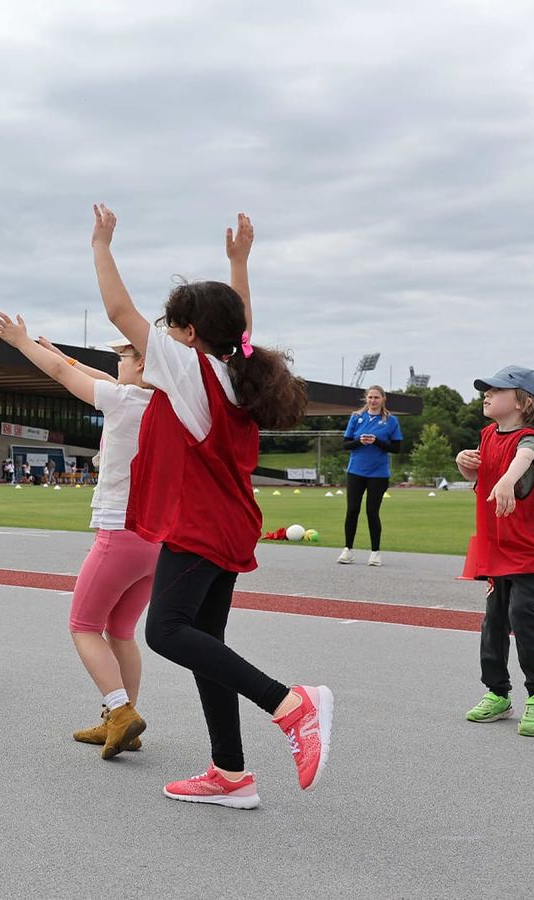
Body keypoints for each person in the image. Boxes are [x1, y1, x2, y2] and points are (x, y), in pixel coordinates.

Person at [94, 204, 329, 809]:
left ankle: (288, 703)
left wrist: (101, 244)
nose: (164, 338)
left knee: (167, 632)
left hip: (201, 526)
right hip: (228, 525)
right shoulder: (233, 370)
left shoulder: (193, 369)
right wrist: (238, 263)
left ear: (191, 335)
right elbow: (240, 329)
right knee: (207, 643)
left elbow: (121, 312)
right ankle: (231, 774)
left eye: (173, 328)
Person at [0, 315, 158, 758]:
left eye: (123, 355)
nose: (116, 362)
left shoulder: (123, 402)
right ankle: (126, 721)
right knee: (120, 630)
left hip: (118, 531)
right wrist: (61, 352)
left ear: (141, 364)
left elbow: (67, 377)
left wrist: (22, 342)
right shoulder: (166, 404)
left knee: (83, 626)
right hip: (157, 541)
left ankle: (120, 712)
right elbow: (97, 376)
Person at [457, 366, 534, 737]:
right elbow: (481, 478)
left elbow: (524, 457)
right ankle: (498, 693)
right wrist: (465, 466)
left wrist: (506, 480)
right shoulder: (487, 435)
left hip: (532, 552)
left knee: (522, 614)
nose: (486, 394)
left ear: (522, 401)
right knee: (494, 621)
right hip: (496, 549)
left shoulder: (532, 439)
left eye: (495, 390)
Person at [337, 386, 402, 567]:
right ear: (366, 399)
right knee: (352, 510)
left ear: (383, 399)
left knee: (372, 512)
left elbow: (396, 448)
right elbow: (346, 444)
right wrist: (360, 441)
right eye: (370, 397)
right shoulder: (356, 417)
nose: (373, 401)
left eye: (376, 398)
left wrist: (377, 442)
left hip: (378, 474)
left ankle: (375, 552)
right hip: (356, 471)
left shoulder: (391, 420)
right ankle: (348, 549)